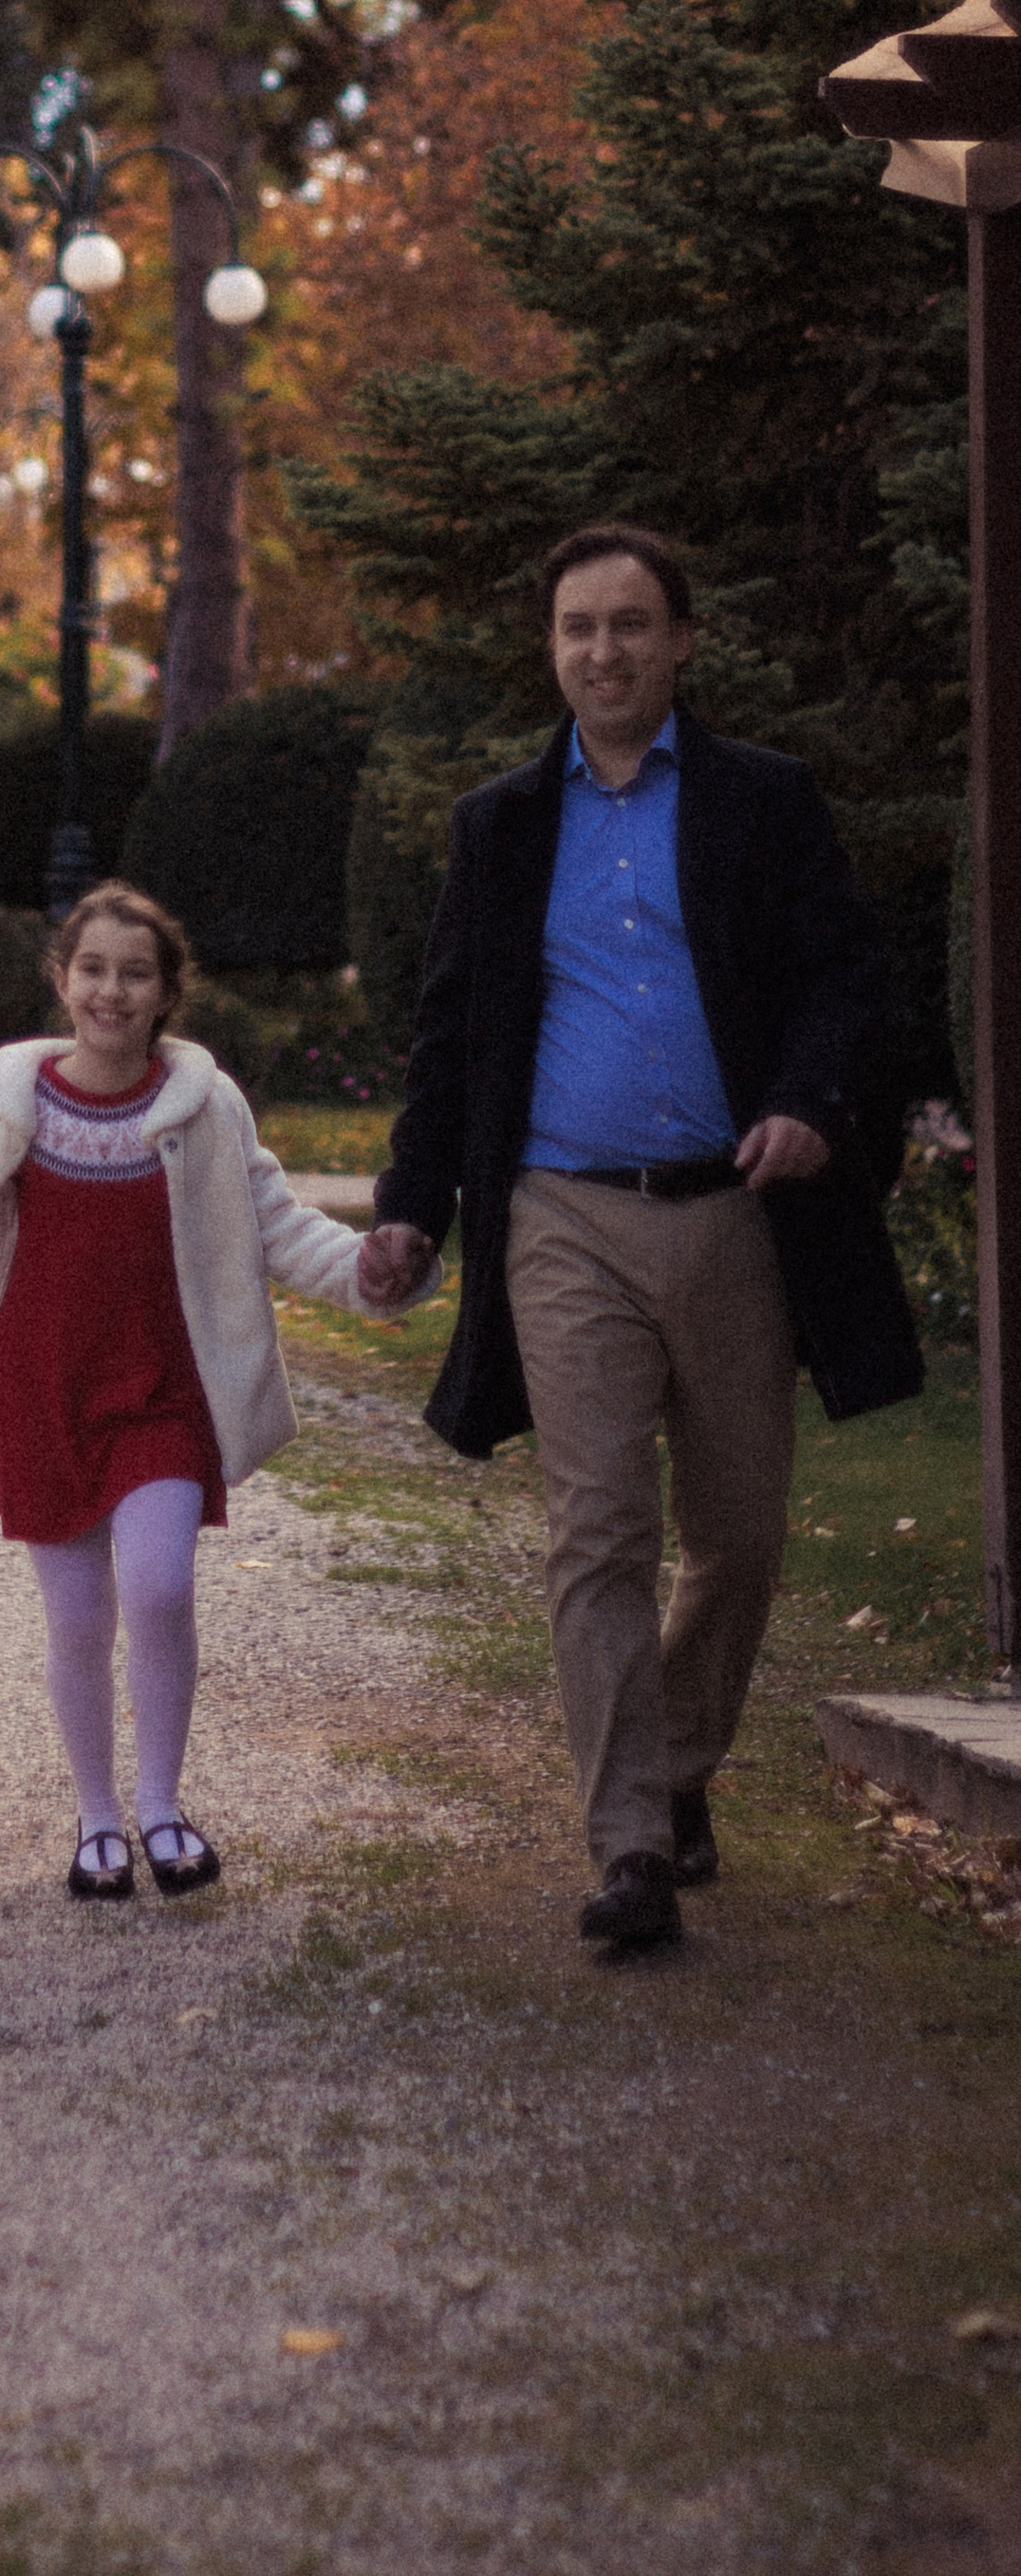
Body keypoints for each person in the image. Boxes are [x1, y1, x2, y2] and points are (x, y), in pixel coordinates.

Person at [360, 524, 921, 1954]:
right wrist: (415, 1205)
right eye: (575, 629)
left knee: (733, 1536)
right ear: (552, 652)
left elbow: (850, 977)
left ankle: (678, 1769)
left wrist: (805, 1102)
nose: (601, 651)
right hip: (561, 1214)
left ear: (681, 642)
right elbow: (451, 1031)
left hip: (734, 1213)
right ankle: (628, 1847)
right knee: (595, 1525)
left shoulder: (765, 802)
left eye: (627, 625)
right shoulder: (503, 825)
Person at [0, 884, 428, 1901]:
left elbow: (277, 1226)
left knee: (157, 1586)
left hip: (161, 1390)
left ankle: (162, 1806)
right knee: (75, 1620)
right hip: (47, 1390)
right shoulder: (12, 1098)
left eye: (136, 972)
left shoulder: (202, 1106)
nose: (111, 990)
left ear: (166, 993)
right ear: (62, 978)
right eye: (94, 968)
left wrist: (370, 1270)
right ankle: (97, 1819)